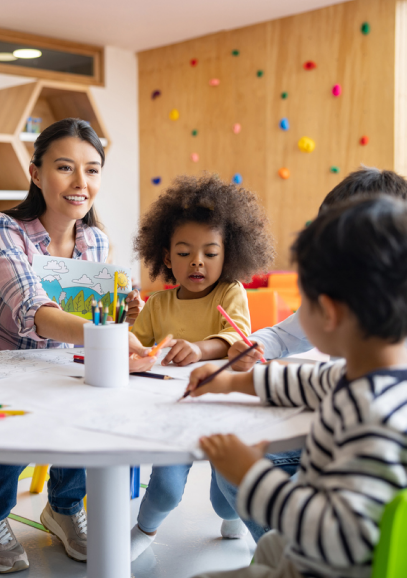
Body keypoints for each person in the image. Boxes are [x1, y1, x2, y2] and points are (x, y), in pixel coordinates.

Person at [188, 195, 407, 578]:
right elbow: (308, 380)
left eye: (303, 302)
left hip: (330, 566)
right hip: (349, 548)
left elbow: (336, 535)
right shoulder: (395, 377)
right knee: (270, 545)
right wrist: (230, 381)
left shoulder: (373, 418)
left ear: (328, 312)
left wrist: (252, 475)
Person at [0, 118, 155, 573]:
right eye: (65, 167)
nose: (80, 182)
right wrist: (107, 335)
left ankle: (64, 508)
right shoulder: (1, 229)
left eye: (92, 170)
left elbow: (88, 317)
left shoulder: (96, 239)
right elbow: (36, 310)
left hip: (59, 362)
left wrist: (118, 315)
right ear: (35, 173)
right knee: (19, 419)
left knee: (91, 402)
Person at [128, 175, 275, 559]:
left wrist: (199, 348)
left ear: (229, 255)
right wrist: (128, 329)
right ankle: (143, 529)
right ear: (165, 257)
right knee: (164, 489)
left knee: (226, 499)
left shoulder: (231, 293)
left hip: (222, 410)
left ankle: (233, 519)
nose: (197, 261)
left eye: (210, 253)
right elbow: (137, 347)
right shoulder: (158, 304)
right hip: (173, 410)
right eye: (184, 252)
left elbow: (235, 338)